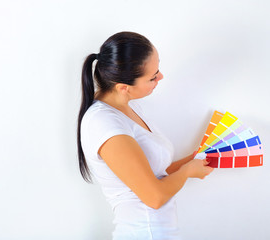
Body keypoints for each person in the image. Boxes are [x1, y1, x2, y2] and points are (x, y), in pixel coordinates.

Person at [77, 31, 214, 240]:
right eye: (153, 76)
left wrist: (193, 160)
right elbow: (154, 196)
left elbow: (153, 173)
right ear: (124, 88)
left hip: (157, 230)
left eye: (157, 68)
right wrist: (187, 172)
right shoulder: (104, 124)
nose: (161, 77)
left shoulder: (130, 107)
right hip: (144, 232)